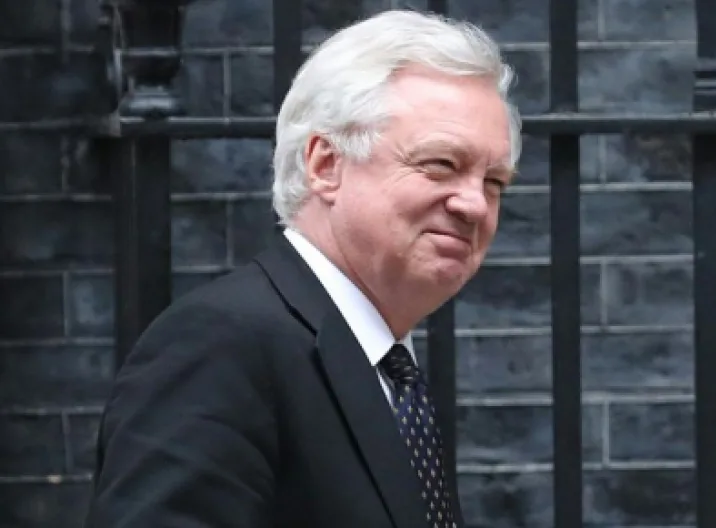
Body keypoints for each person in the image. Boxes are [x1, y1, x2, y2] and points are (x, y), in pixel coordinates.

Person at [84, 9, 520, 527]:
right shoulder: (220, 345)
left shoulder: (387, 369)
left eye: (494, 182)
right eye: (441, 164)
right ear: (325, 166)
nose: (475, 204)